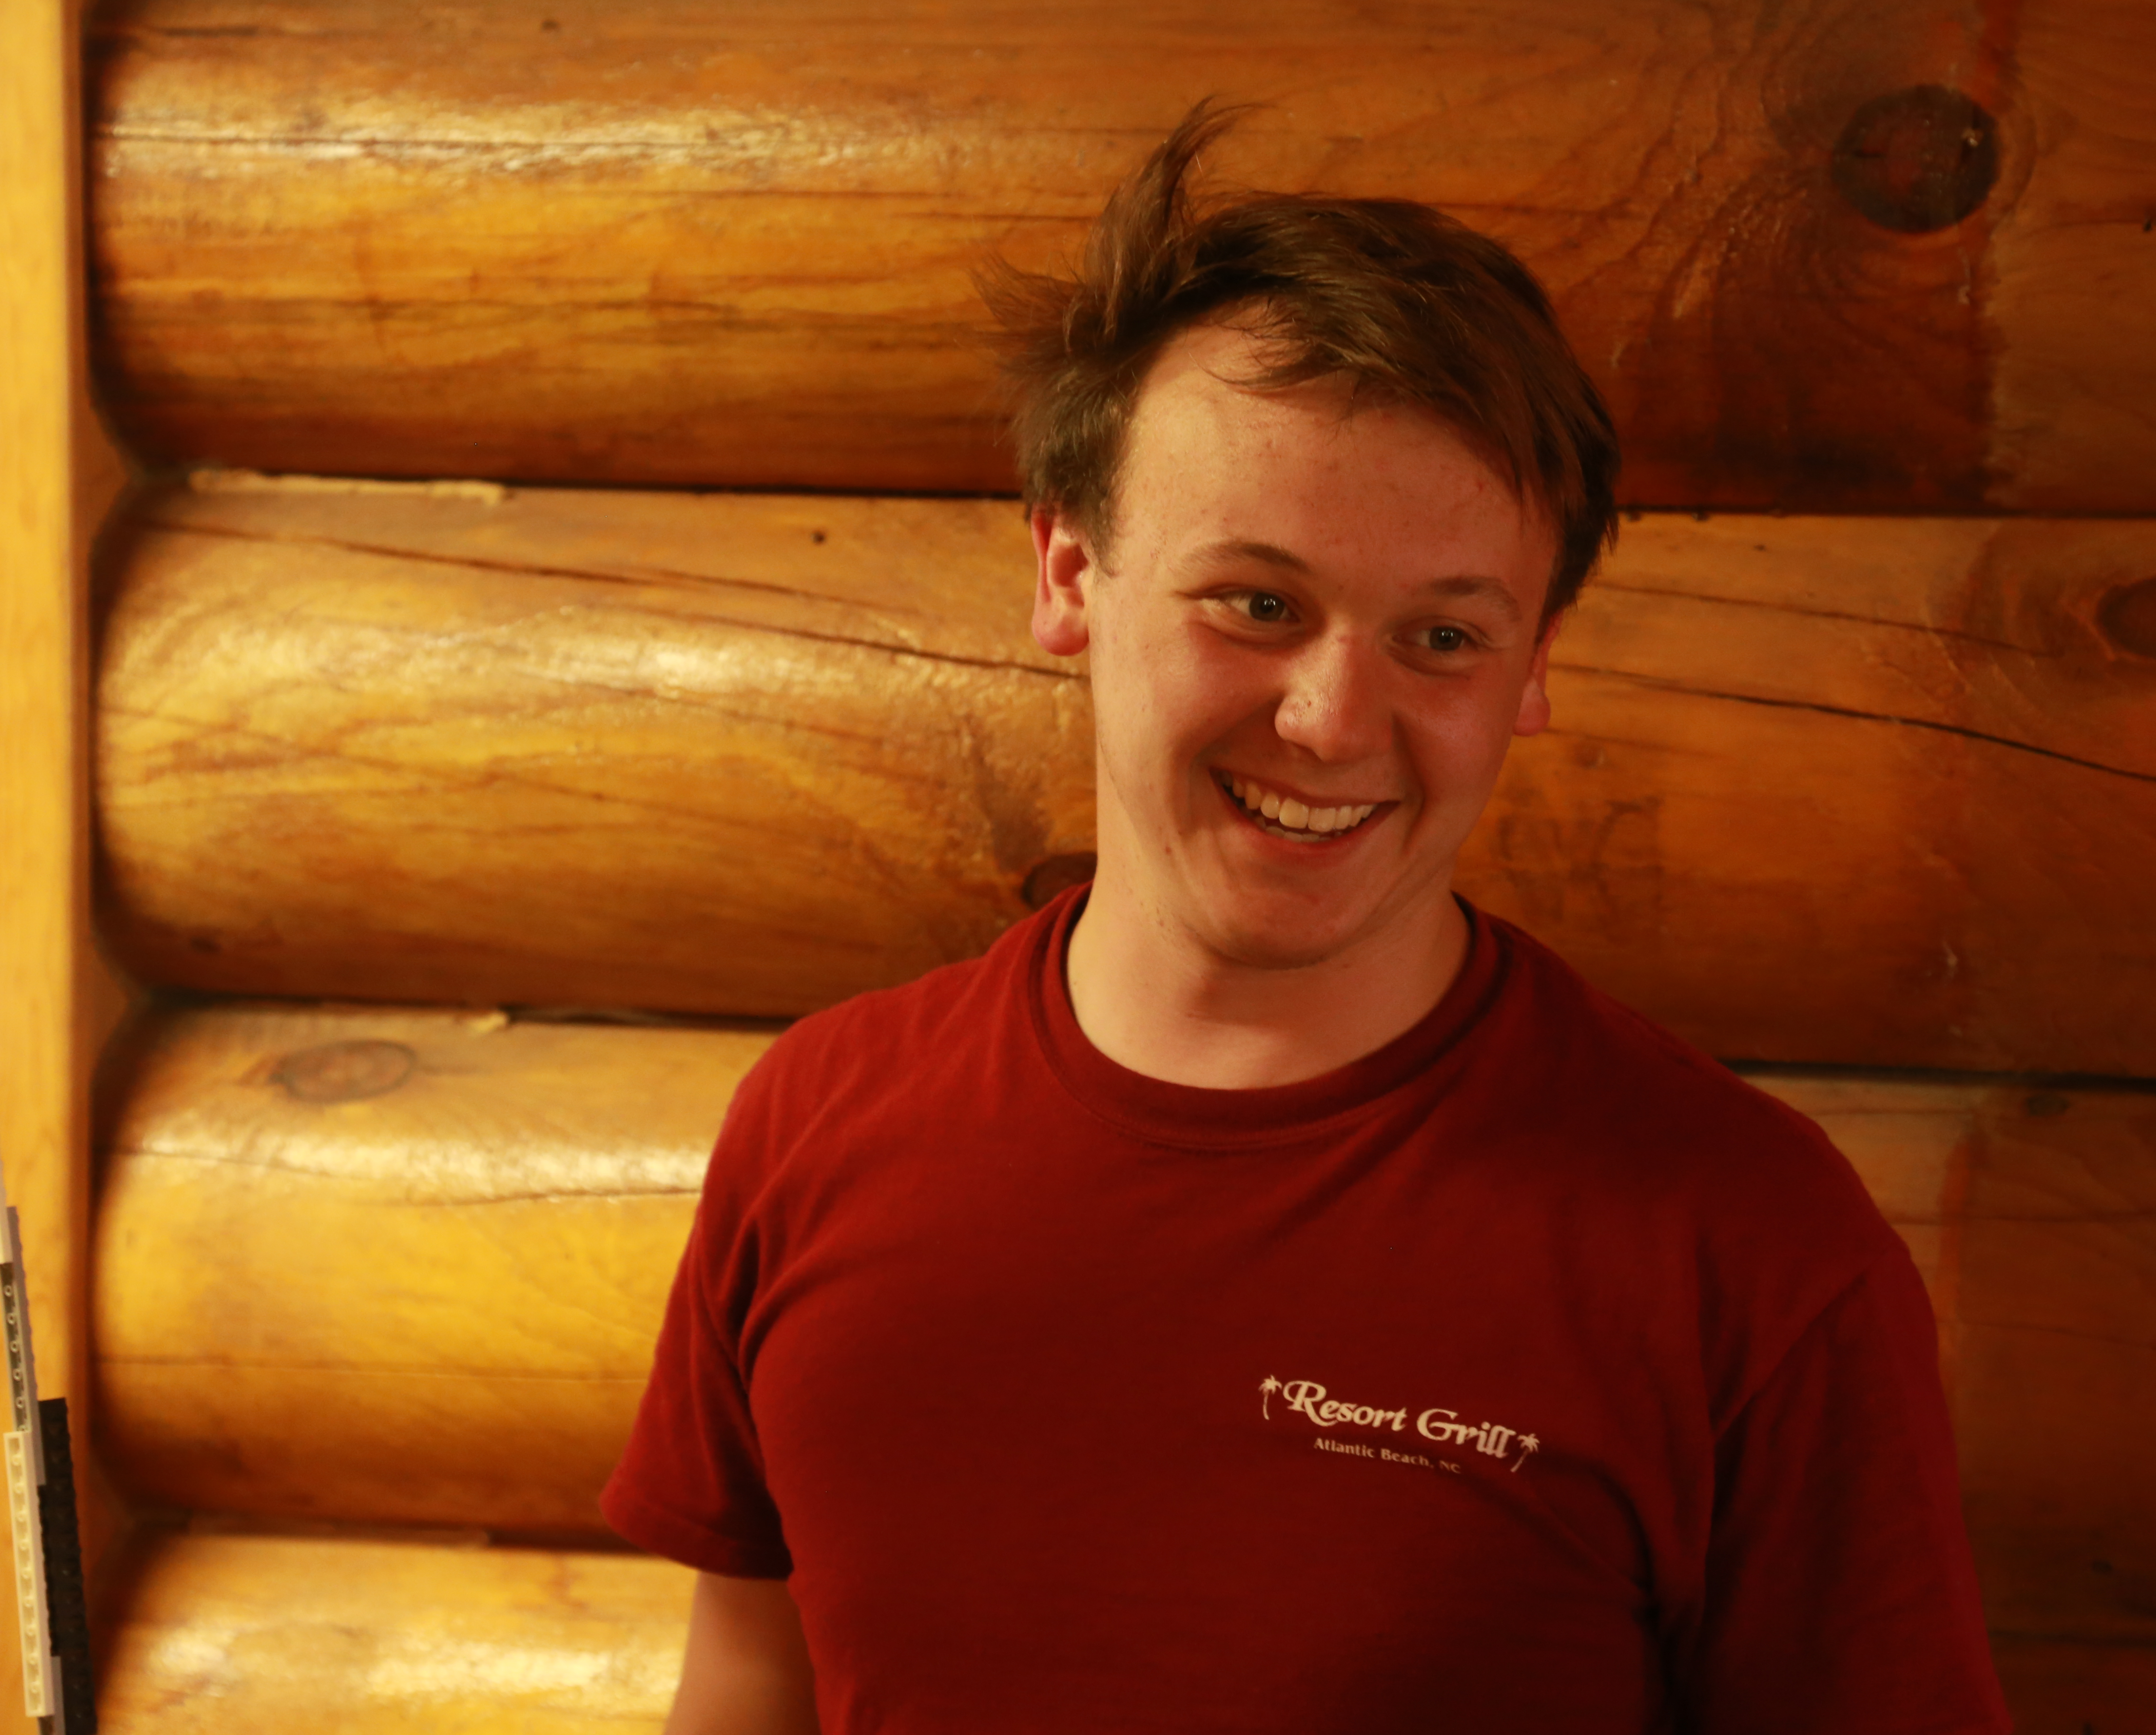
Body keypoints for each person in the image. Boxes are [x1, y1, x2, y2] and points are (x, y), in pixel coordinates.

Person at [603, 103, 2009, 1735]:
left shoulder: (1749, 1252)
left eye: (1443, 638)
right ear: (1069, 572)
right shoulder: (816, 1121)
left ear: (1534, 665)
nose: (1334, 722)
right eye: (1258, 604)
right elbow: (750, 1688)